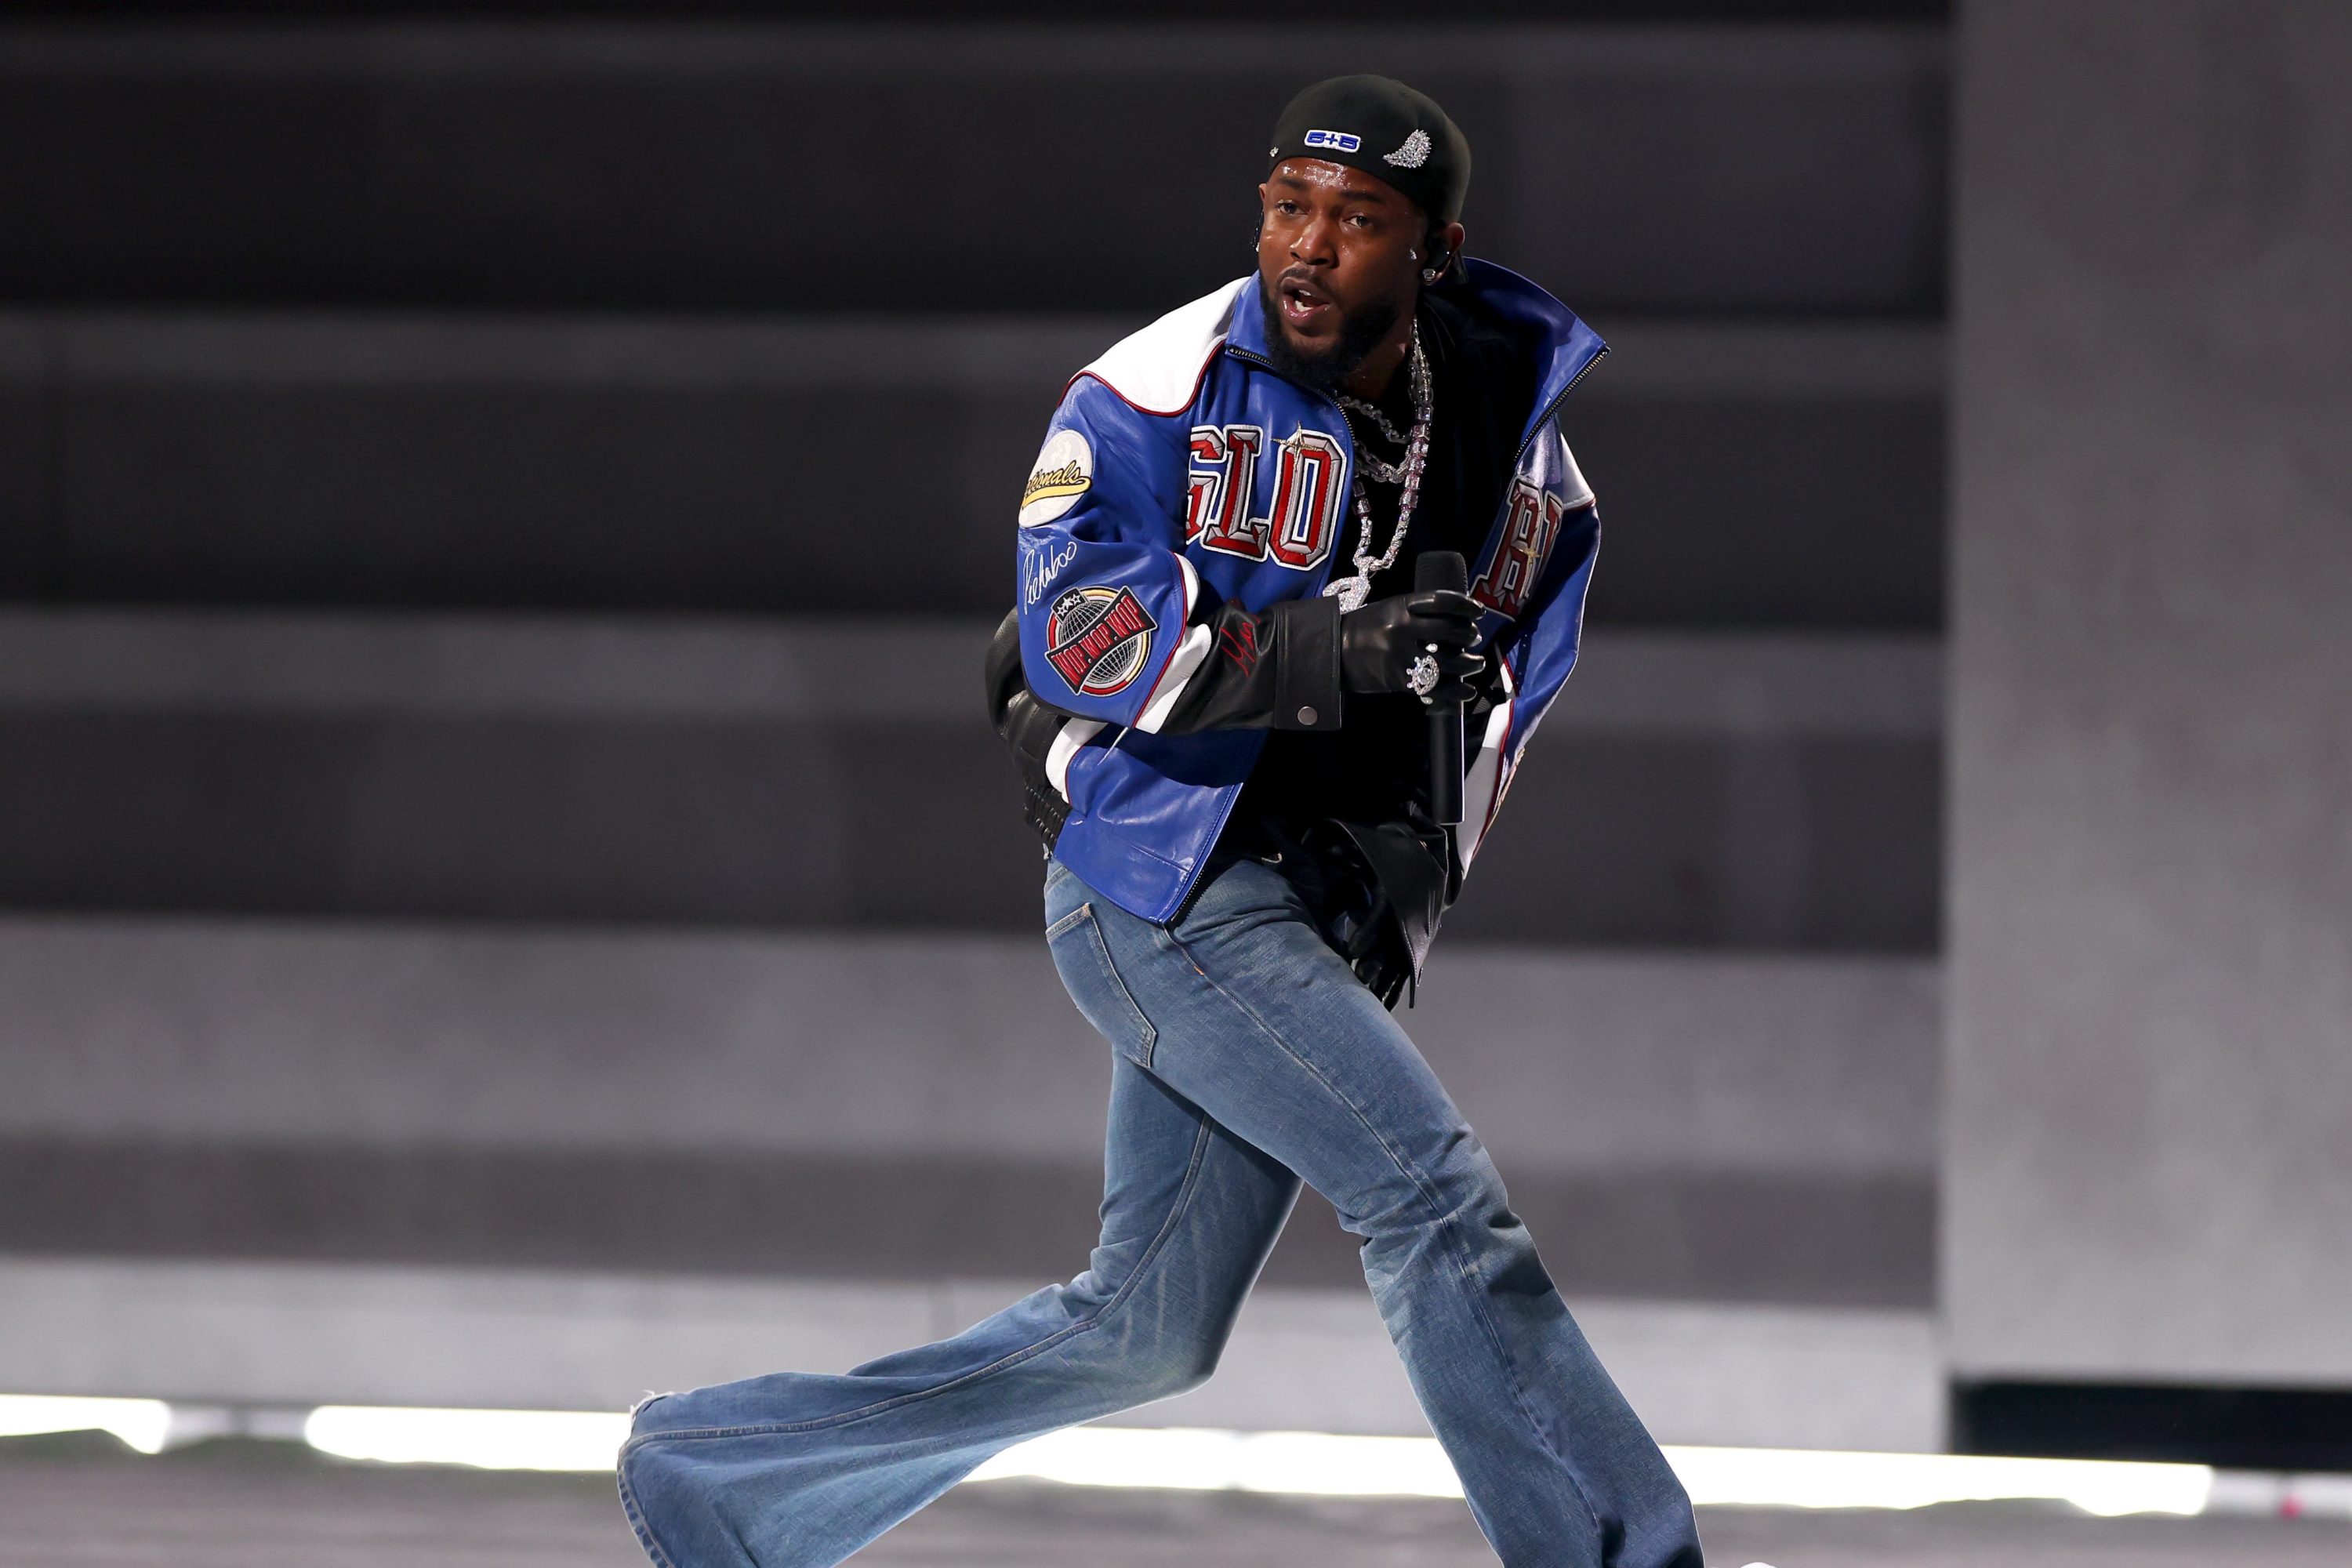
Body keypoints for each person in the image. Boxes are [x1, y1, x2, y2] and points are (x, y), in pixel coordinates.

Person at [617, 75, 1704, 1568]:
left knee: (1144, 1331)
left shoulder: (1520, 448)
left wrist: (1403, 901)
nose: (1309, 247)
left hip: (1309, 909)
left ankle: (714, 1471)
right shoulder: (1149, 390)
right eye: (1287, 208)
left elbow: (1504, 714)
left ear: (1433, 251)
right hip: (1168, 886)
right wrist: (1354, 651)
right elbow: (1081, 642)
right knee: (1437, 1203)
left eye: (1357, 220)